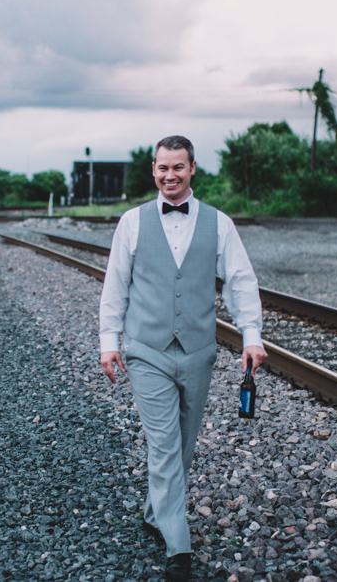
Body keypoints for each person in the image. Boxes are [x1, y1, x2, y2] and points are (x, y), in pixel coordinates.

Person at [98, 135, 267, 581]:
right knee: (165, 444)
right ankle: (179, 547)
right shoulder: (132, 223)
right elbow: (115, 285)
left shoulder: (219, 223)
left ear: (192, 169)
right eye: (162, 168)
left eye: (178, 167)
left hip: (197, 352)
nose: (169, 176)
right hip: (146, 350)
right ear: (152, 170)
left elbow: (241, 281)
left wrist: (251, 335)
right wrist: (108, 341)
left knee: (183, 447)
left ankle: (156, 513)